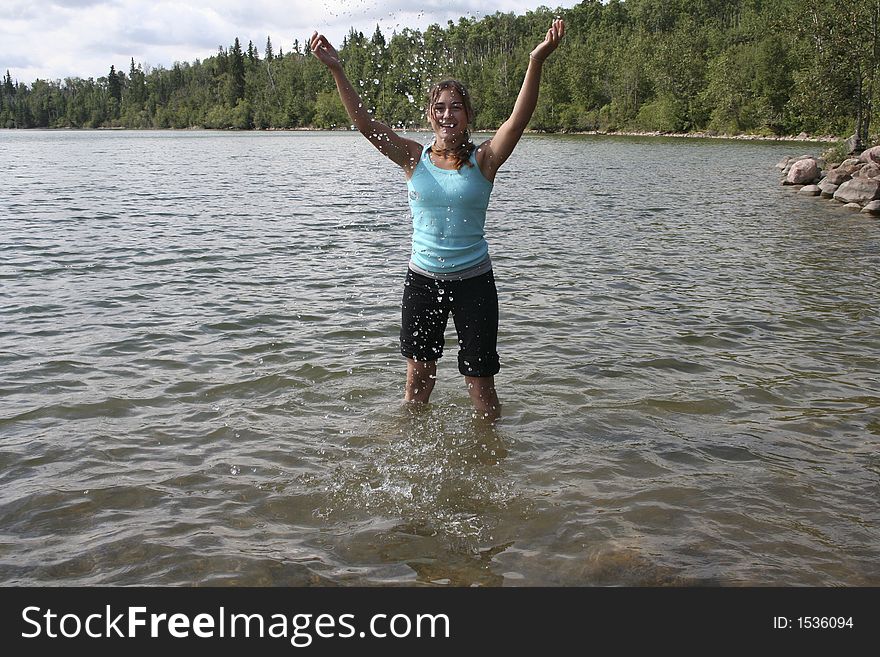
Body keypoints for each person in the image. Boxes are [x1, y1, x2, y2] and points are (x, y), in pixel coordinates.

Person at [310, 19, 565, 421]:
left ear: (467, 116)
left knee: (481, 385)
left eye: (456, 107)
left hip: (474, 284)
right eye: (440, 108)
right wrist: (337, 69)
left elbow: (519, 117)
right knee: (417, 383)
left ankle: (489, 460)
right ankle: (413, 455)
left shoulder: (485, 160)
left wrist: (536, 61)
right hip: (423, 281)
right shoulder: (413, 157)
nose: (448, 115)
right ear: (431, 115)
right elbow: (365, 125)